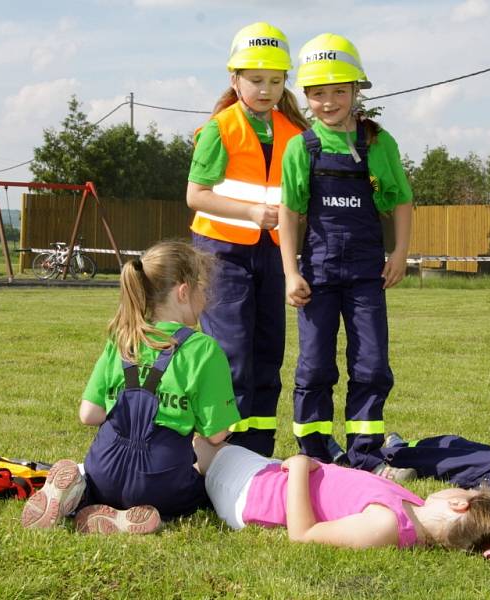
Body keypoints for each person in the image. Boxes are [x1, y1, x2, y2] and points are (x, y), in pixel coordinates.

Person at [22, 240, 241, 533]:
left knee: (101, 484)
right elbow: (216, 434)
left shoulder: (122, 338)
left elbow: (88, 414)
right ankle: (147, 513)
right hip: (162, 476)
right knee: (199, 494)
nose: (205, 296)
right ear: (183, 290)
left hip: (105, 470)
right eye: (201, 287)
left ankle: (81, 495)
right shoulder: (203, 349)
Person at [277, 34, 413, 474]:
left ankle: (365, 453)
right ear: (306, 97)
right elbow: (291, 211)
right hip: (315, 273)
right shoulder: (302, 148)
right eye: (318, 93)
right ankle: (313, 453)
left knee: (371, 364)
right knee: (314, 365)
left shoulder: (379, 143)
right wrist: (290, 273)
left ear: (357, 92)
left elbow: (403, 201)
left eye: (339, 91)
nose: (329, 101)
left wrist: (400, 253)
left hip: (365, 275)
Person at [186, 22, 310, 457]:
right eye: (256, 80)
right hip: (221, 253)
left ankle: (254, 452)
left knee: (266, 354)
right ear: (234, 79)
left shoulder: (295, 134)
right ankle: (215, 450)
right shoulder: (219, 129)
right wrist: (253, 213)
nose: (266, 89)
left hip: (273, 254)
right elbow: (195, 196)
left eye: (276, 81)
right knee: (232, 355)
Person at [193, 437, 490, 555]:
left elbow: (303, 535)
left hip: (251, 492)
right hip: (267, 476)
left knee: (199, 446)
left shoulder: (388, 526)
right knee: (202, 442)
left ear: (459, 504)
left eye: (466, 489)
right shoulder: (413, 508)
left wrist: (300, 469)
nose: (459, 486)